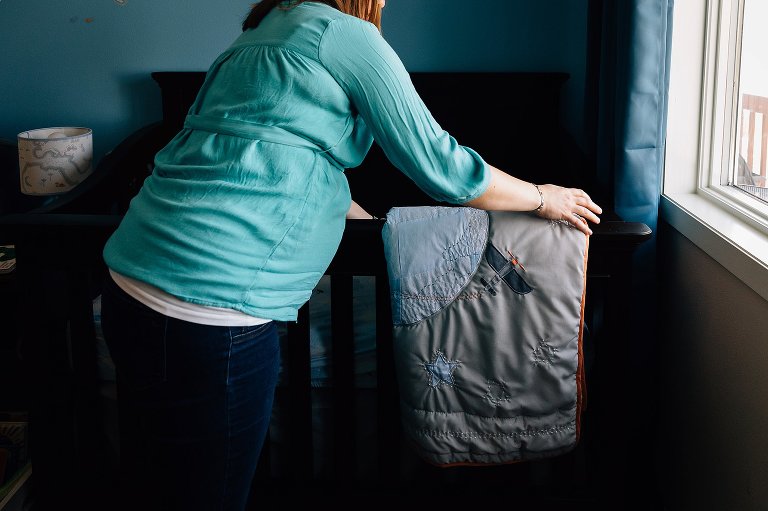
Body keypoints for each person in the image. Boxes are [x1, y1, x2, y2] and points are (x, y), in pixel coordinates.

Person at [100, 0, 603, 509]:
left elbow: (276, 157)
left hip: (129, 281)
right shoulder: (343, 35)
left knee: (152, 479)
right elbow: (440, 165)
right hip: (211, 311)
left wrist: (376, 226)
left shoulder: (261, 31)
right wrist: (543, 196)